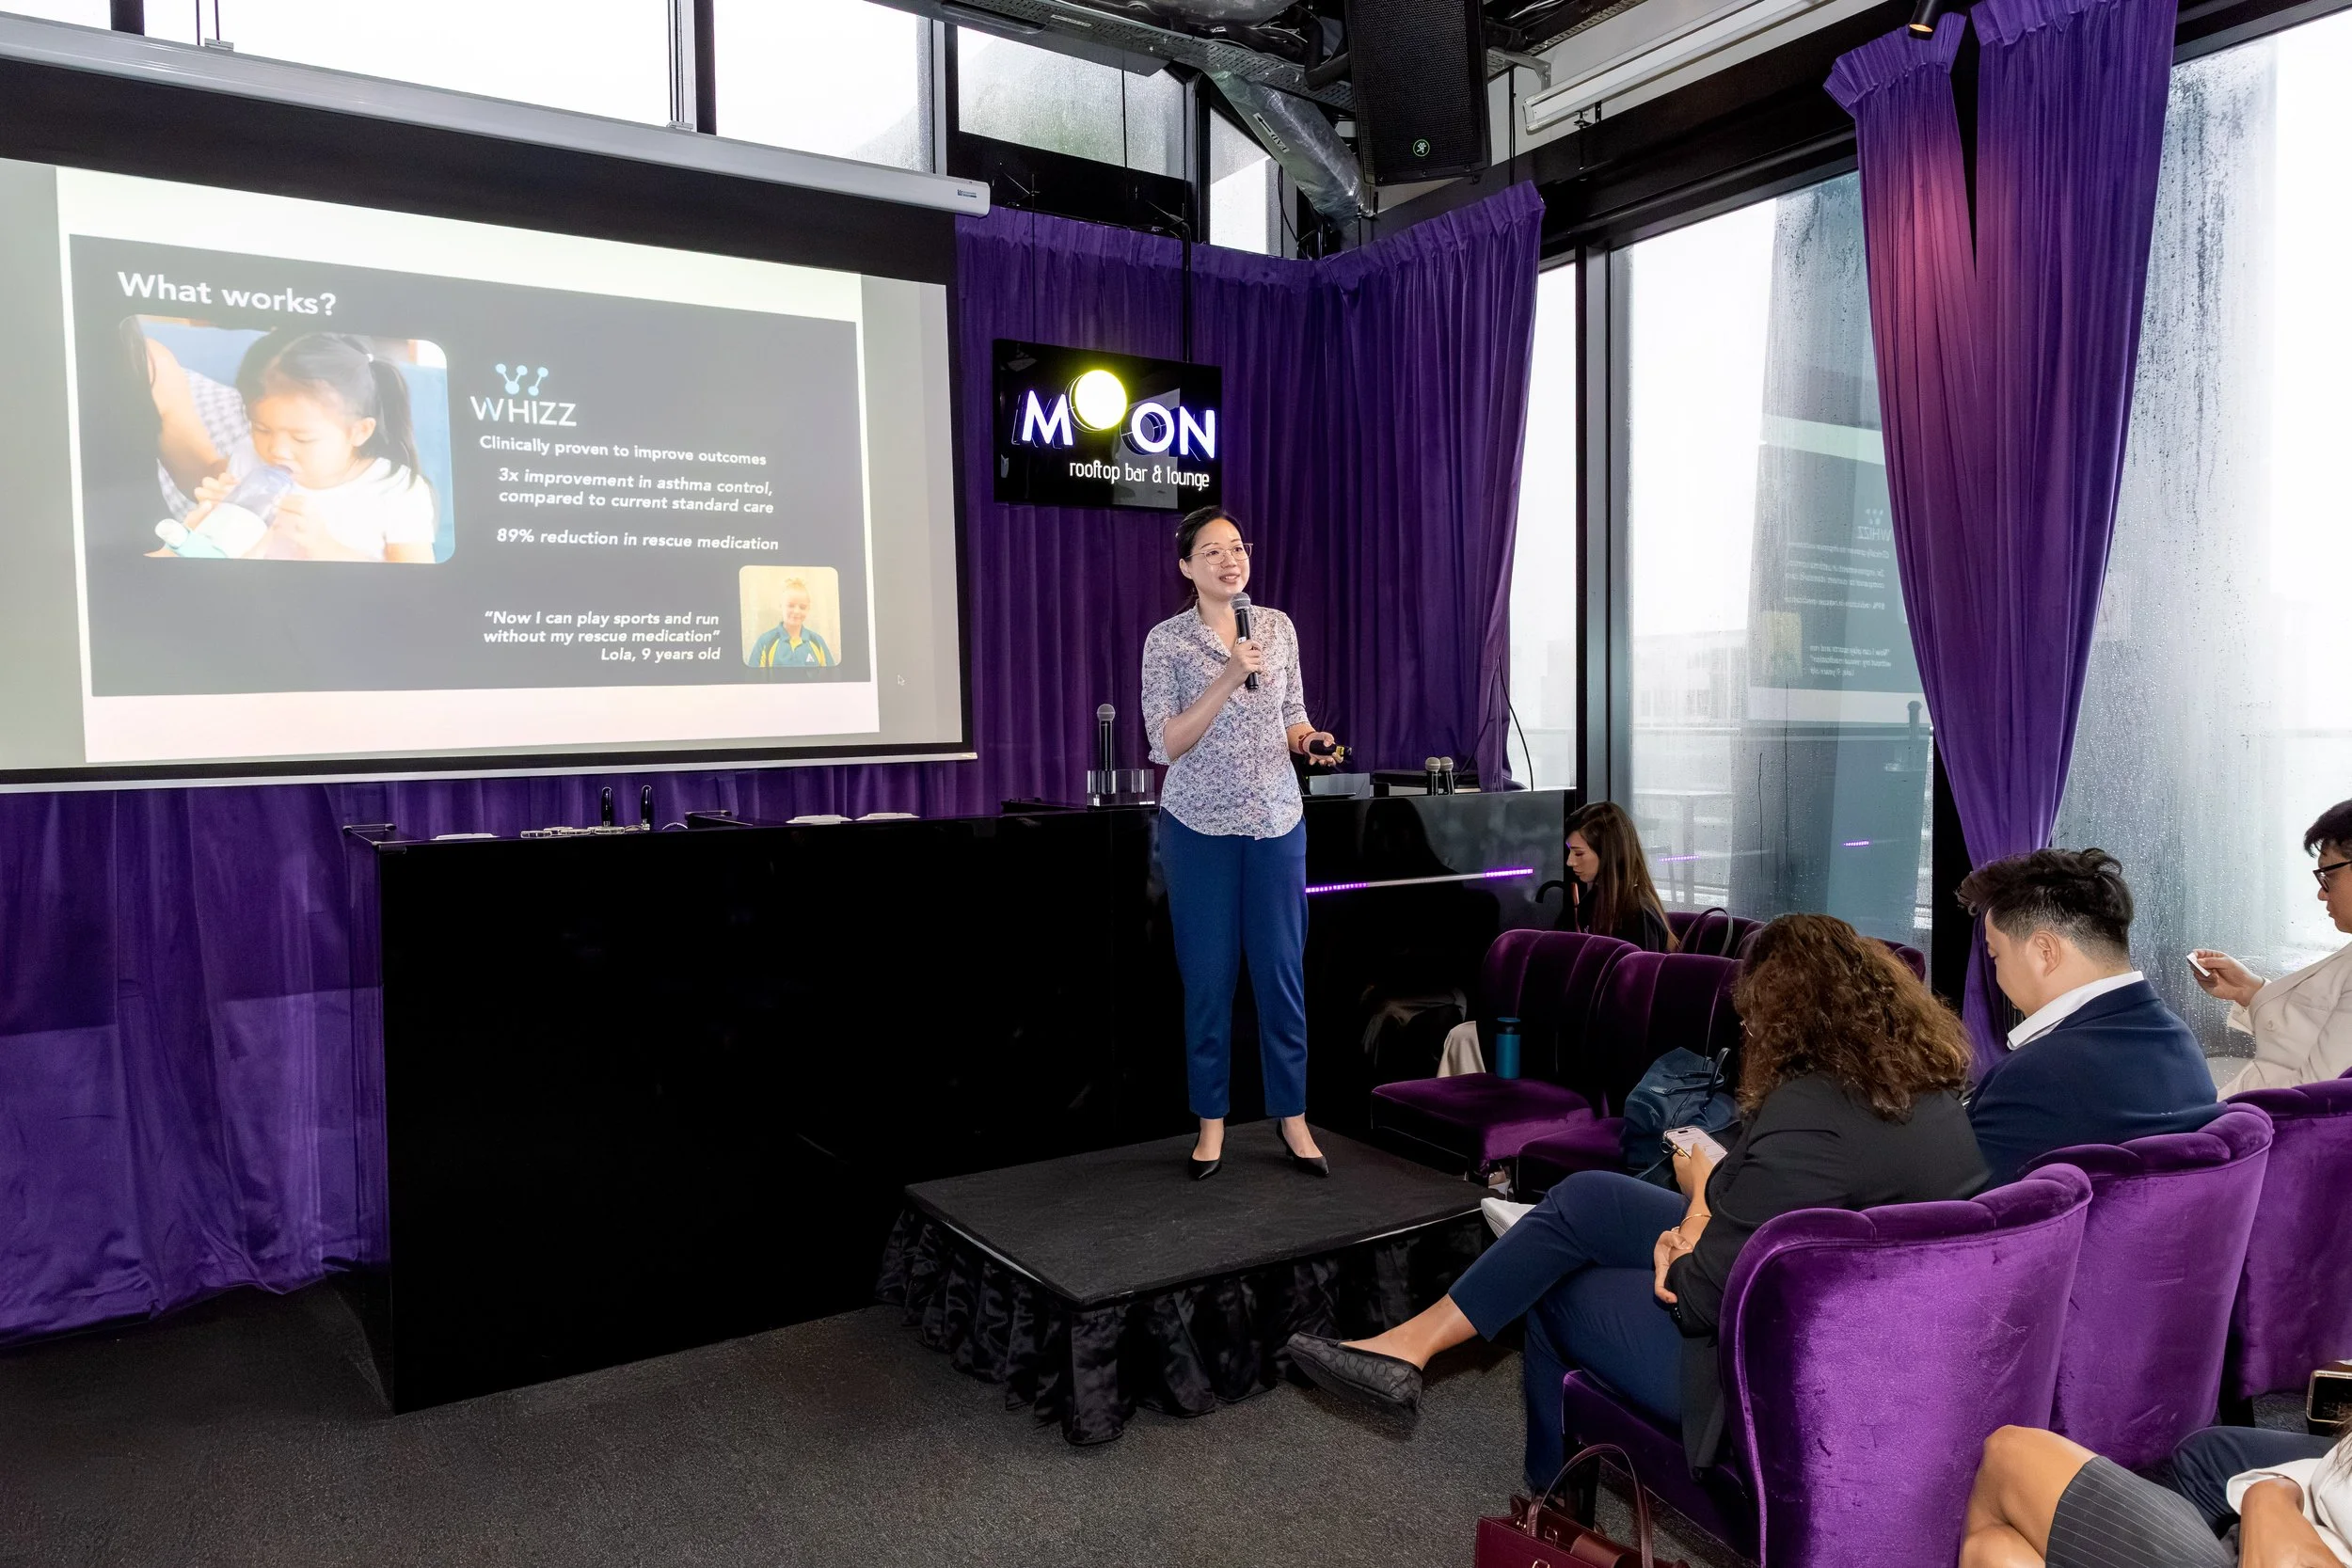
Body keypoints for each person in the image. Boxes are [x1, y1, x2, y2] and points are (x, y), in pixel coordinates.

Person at [1285, 914, 1985, 1490]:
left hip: (1776, 1371)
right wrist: (1703, 1207)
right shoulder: (1927, 1095)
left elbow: (1696, 1297)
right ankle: (1409, 1347)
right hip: (1881, 1337)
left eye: (1752, 1021)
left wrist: (1690, 1227)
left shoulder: (1808, 1110)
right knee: (1588, 1197)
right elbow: (1794, 1207)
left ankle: (1551, 1513)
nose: (1748, 1036)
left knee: (1555, 1291)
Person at [1140, 505, 1339, 1180]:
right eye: (1213, 551)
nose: (1231, 560)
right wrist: (1227, 675)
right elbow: (1166, 742)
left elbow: (1293, 714)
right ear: (1186, 566)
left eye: (1237, 547)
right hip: (1199, 829)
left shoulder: (1276, 627)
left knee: (1282, 974)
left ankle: (1293, 1116)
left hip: (1278, 822)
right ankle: (1211, 1123)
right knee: (1208, 978)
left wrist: (1309, 740)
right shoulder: (1166, 642)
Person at [1960, 847, 2218, 1186]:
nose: (1997, 975)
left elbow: (1955, 1204)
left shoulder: (2037, 1074)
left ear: (2045, 952)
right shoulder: (2179, 1039)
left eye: (1996, 955)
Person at [182, 329, 437, 562]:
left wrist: (325, 547)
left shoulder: (398, 490)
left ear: (359, 432)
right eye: (262, 429)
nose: (277, 449)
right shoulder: (248, 455)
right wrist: (212, 518)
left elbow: (417, 587)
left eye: (302, 438)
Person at [1959, 1422, 2352, 1568]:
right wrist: (2272, 1498)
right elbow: (2332, 1468)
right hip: (2286, 1531)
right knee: (1996, 1552)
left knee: (2010, 1455)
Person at [2193, 797, 2352, 1093]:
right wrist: (2249, 991)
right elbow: (2316, 1036)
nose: (2321, 893)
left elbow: (2317, 1099)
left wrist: (2220, 1116)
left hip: (2258, 1120)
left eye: (2329, 875)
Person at [1562, 800, 1677, 953]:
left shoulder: (1638, 917)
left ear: (1608, 853)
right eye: (1570, 851)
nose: (1569, 862)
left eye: (1579, 853)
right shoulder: (1590, 903)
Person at [749, 577, 834, 669]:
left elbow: (831, 676)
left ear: (808, 609)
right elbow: (754, 677)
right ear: (781, 606)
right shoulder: (765, 642)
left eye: (802, 607)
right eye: (791, 605)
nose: (796, 611)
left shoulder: (817, 642)